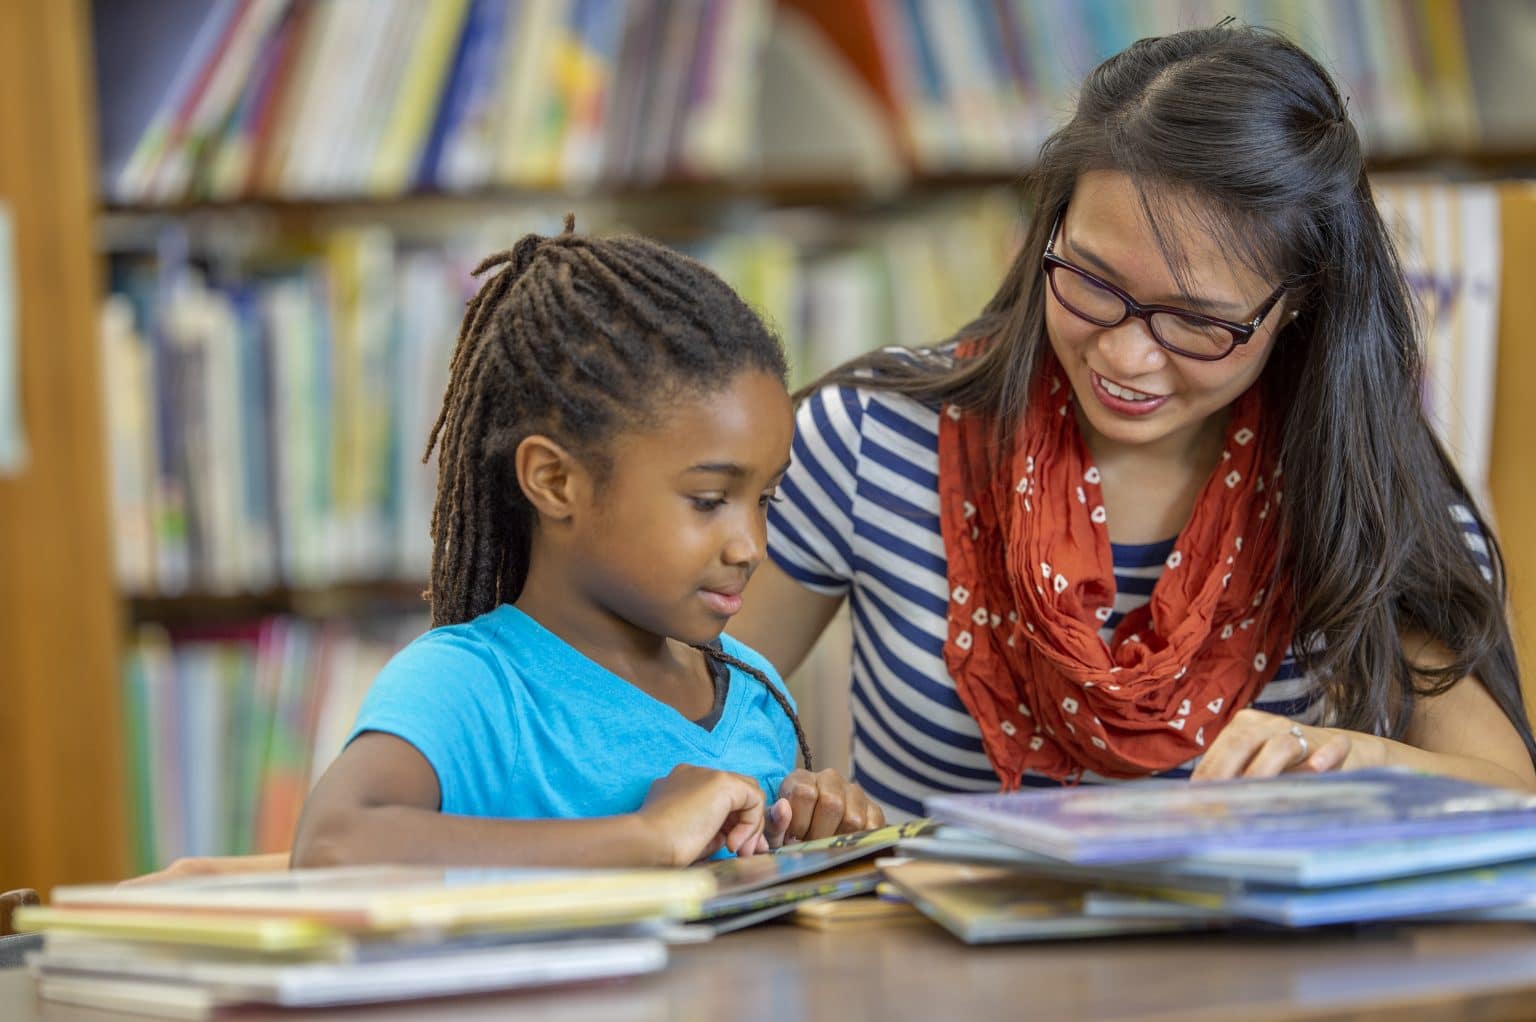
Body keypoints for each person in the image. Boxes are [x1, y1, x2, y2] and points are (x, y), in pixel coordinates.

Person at [730, 23, 1536, 819]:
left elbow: (1511, 794)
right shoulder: (870, 443)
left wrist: (1363, 760)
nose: (1124, 356)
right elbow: (680, 740)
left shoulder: (1353, 483)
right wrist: (786, 796)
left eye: (1195, 322)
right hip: (930, 950)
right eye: (1090, 279)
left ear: (1300, 307)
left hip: (1253, 951)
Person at [291, 219, 882, 870]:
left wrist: (814, 840)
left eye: (765, 500)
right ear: (555, 481)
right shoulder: (474, 686)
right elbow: (330, 848)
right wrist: (645, 839)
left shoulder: (757, 695)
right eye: (709, 500)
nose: (750, 546)